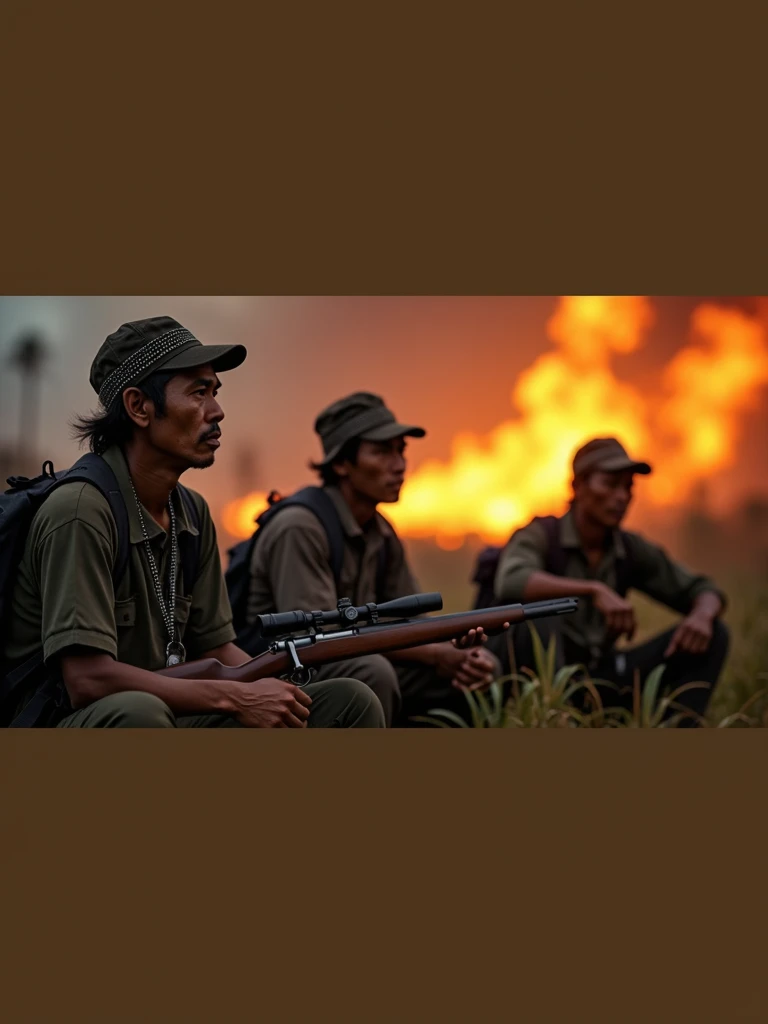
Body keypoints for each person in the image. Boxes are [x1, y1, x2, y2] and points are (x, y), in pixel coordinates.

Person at [2, 317, 384, 729]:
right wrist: (235, 696)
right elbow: (88, 680)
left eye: (215, 392)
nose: (217, 411)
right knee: (140, 714)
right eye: (198, 393)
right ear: (139, 407)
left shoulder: (193, 512)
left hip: (169, 709)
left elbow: (217, 649)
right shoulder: (80, 512)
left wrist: (280, 682)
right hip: (70, 719)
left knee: (349, 700)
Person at [245, 391, 500, 726]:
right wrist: (437, 654)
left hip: (351, 655)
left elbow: (410, 622)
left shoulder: (381, 531)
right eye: (381, 452)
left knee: (474, 666)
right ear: (341, 464)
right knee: (372, 672)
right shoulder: (300, 527)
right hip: (286, 669)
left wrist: (455, 645)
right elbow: (321, 642)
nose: (399, 465)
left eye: (401, 451)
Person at [492, 437, 729, 725]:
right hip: (538, 683)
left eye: (628, 487)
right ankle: (555, 722)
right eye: (610, 484)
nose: (621, 497)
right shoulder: (540, 535)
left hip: (602, 677)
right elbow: (512, 581)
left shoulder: (629, 549)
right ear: (578, 487)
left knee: (715, 632)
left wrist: (702, 616)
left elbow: (702, 590)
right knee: (542, 613)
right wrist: (592, 590)